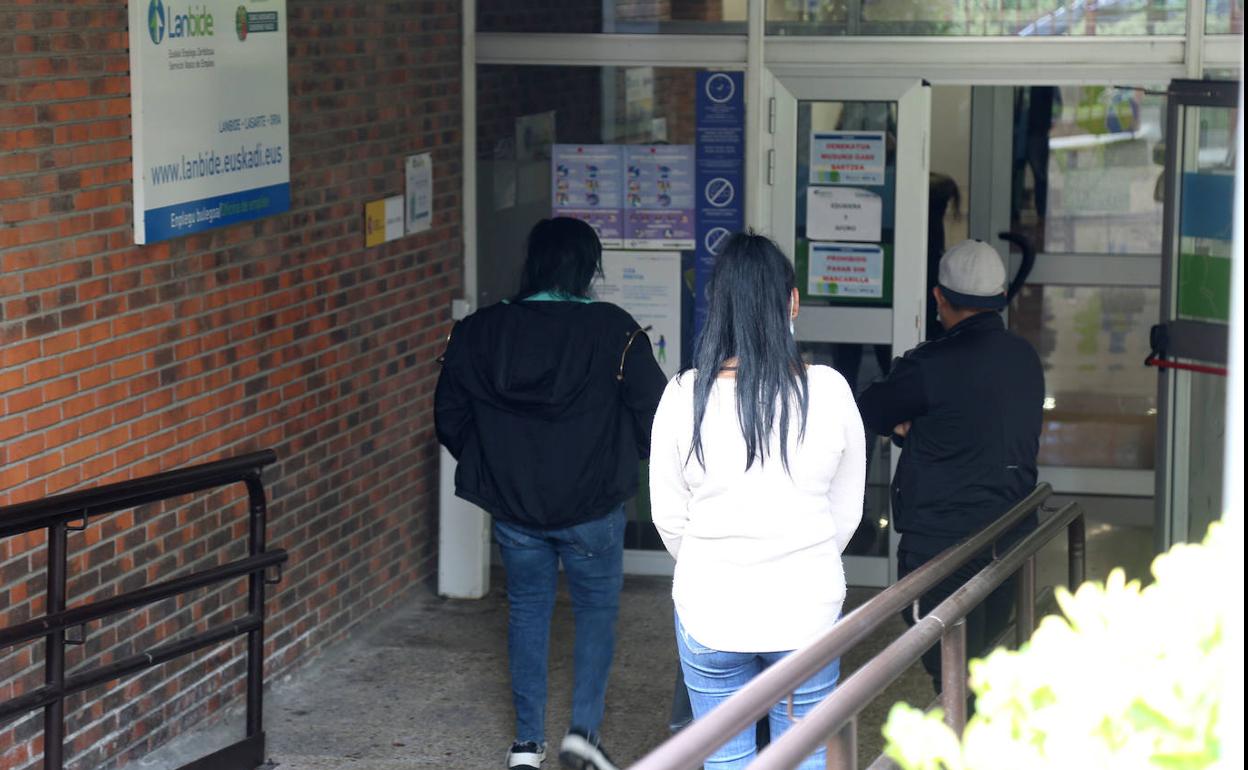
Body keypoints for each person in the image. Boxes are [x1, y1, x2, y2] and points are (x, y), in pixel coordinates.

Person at [435, 217, 667, 770]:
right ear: (588, 267)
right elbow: (655, 410)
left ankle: (524, 745)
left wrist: (495, 463)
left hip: (516, 507)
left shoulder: (481, 330)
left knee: (528, 612)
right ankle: (582, 734)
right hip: (593, 503)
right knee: (595, 613)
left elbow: (449, 415)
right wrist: (618, 457)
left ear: (534, 262)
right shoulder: (615, 330)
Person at [649, 232, 866, 769]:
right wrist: (801, 551)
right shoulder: (830, 390)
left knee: (725, 761)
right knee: (807, 755)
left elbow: (668, 516)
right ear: (792, 302)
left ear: (717, 303)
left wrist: (713, 558)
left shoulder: (683, 395)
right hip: (807, 609)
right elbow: (847, 510)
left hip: (710, 607)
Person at [858, 239, 1044, 692]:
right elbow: (979, 427)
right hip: (1011, 537)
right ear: (1001, 298)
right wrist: (922, 430)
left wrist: (911, 428)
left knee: (953, 672)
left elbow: (871, 407)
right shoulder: (1026, 360)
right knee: (980, 664)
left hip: (943, 550)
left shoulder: (930, 366)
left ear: (940, 298)